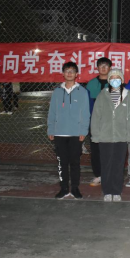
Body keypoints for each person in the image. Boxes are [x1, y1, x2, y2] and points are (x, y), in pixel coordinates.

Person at [90, 68, 130, 202]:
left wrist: (129, 135)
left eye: (118, 78)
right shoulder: (102, 95)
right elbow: (96, 116)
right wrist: (95, 135)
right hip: (105, 136)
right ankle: (107, 191)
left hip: (121, 136)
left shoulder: (127, 94)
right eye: (112, 78)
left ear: (122, 80)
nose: (115, 80)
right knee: (106, 164)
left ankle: (116, 191)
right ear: (109, 80)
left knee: (118, 165)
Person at [47, 62, 90, 199]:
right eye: (67, 71)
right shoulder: (57, 92)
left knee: (75, 162)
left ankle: (75, 188)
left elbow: (85, 113)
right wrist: (51, 129)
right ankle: (64, 188)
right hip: (59, 133)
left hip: (76, 133)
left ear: (77, 74)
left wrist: (83, 131)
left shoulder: (82, 92)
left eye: (72, 71)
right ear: (63, 73)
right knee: (62, 162)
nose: (69, 73)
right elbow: (52, 112)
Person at [85, 57, 112, 187]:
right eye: (101, 65)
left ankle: (109, 174)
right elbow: (87, 105)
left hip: (110, 123)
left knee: (110, 149)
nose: (103, 68)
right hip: (95, 122)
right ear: (97, 68)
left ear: (110, 68)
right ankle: (98, 174)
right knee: (95, 149)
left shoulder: (115, 83)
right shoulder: (91, 84)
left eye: (106, 65)